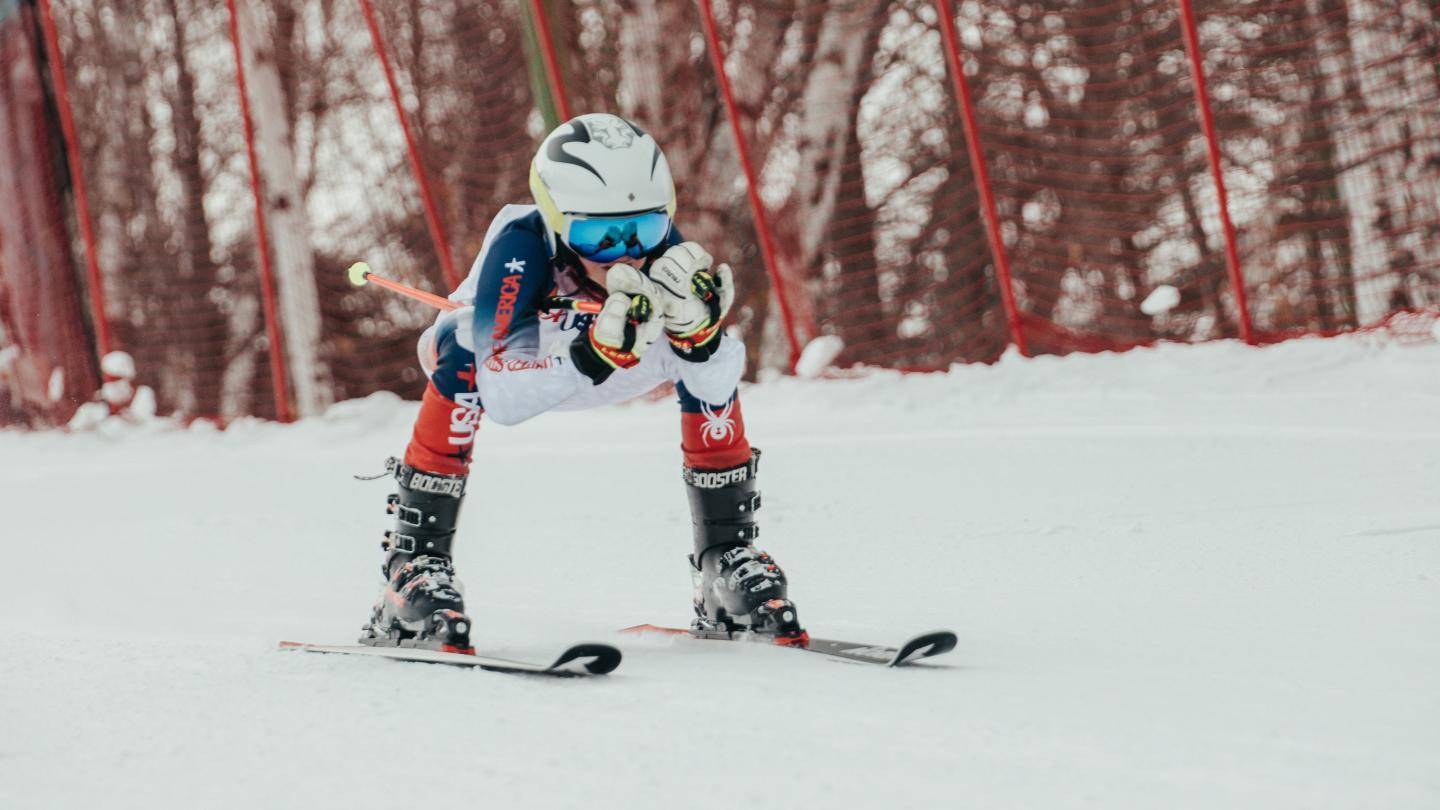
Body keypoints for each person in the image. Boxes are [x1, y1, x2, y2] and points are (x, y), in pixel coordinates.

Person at [359, 113, 803, 652]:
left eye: (642, 229)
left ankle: (724, 561)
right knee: (459, 341)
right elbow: (502, 398)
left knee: (696, 337)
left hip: (617, 360)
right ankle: (414, 566)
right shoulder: (521, 246)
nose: (627, 250)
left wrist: (702, 340)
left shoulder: (662, 247)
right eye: (600, 234)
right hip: (527, 367)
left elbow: (717, 381)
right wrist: (588, 354)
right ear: (557, 217)